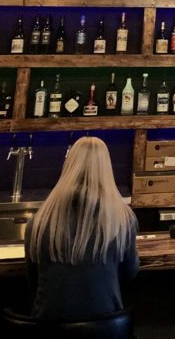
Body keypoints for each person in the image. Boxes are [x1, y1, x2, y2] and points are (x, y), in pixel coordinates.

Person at [24, 136, 139, 321]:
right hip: (106, 325)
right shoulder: (122, 221)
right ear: (106, 170)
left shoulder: (39, 222)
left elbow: (33, 278)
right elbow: (129, 273)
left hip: (48, 327)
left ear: (68, 166)